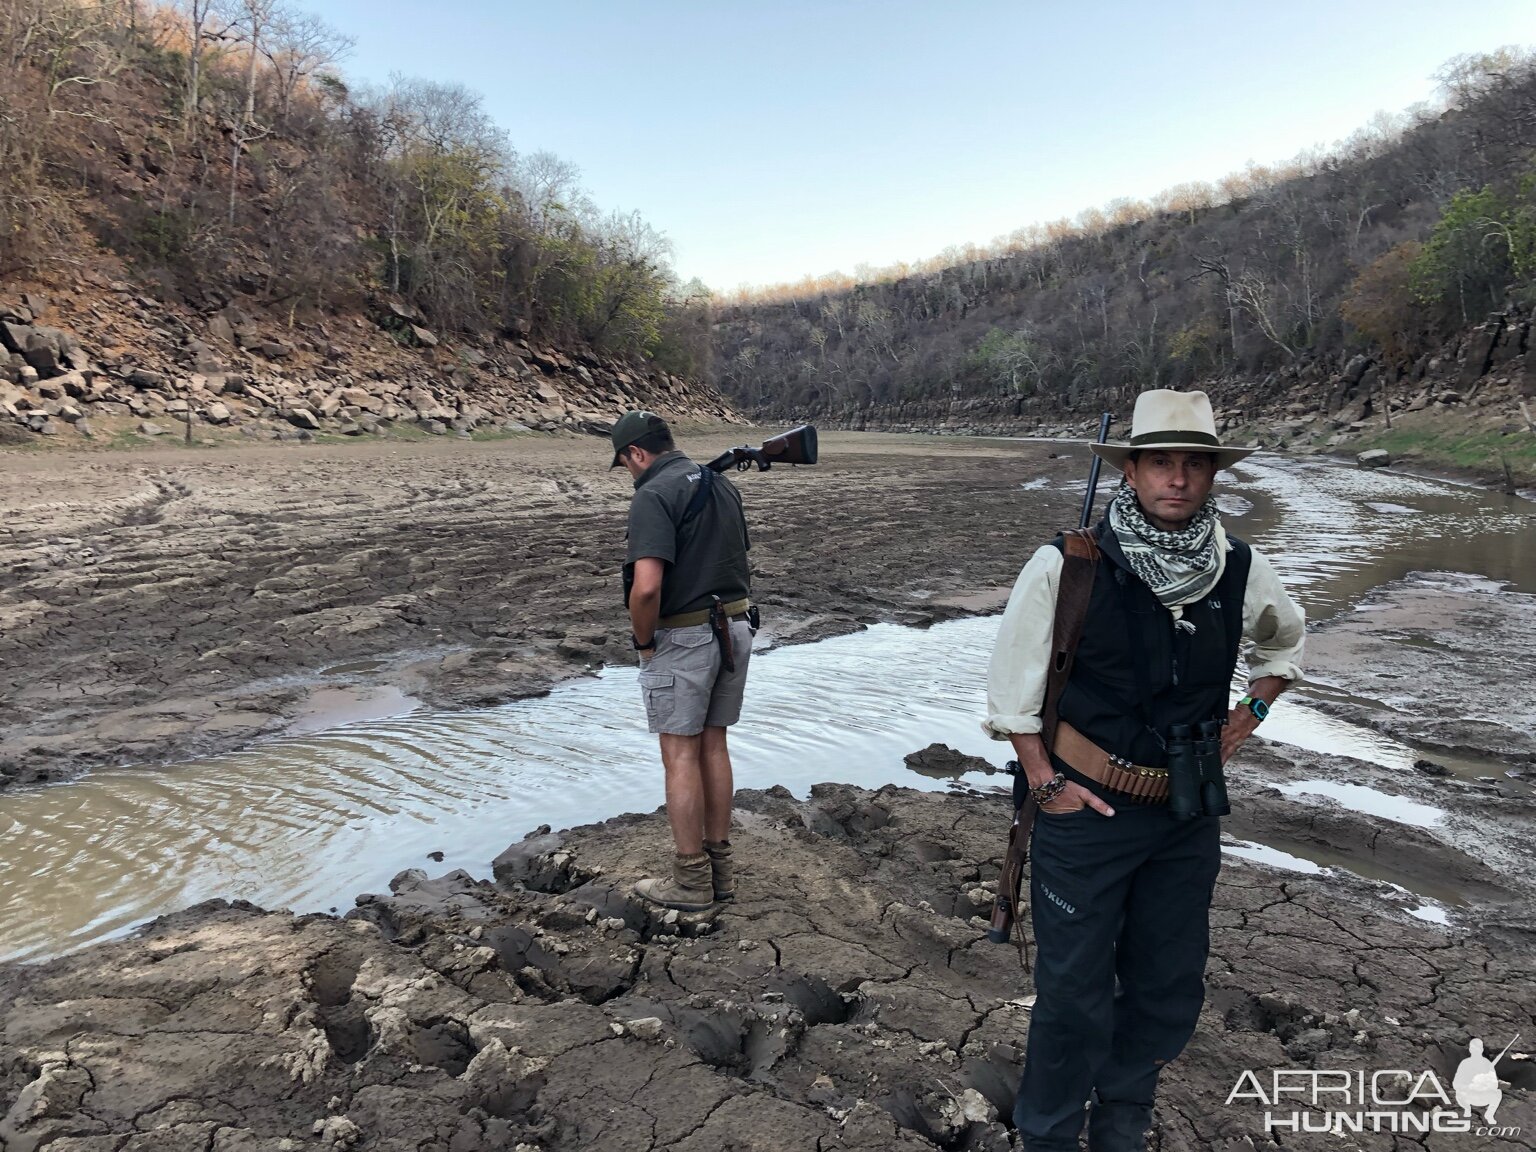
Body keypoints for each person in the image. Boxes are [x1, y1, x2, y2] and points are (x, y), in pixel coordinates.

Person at [984, 389, 1306, 1151]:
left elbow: (1285, 645)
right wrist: (1048, 785)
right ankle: (1050, 1136)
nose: (1178, 479)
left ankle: (1124, 1124)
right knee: (1072, 997)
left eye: (1194, 465)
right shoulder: (1067, 564)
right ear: (1130, 471)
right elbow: (1012, 696)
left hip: (1185, 815)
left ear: (1212, 476)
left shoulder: (1238, 566)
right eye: (1161, 462)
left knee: (1167, 989)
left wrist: (1249, 715)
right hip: (1082, 812)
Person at [612, 410, 755, 912]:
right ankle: (721, 871)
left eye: (626, 462)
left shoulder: (652, 494)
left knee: (679, 755)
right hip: (736, 627)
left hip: (686, 635)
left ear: (636, 453)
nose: (630, 471)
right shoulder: (720, 484)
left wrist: (644, 643)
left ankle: (691, 880)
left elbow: (647, 586)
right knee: (714, 745)